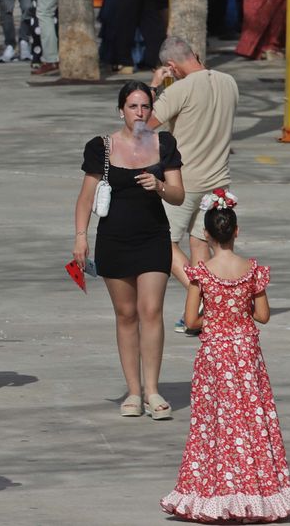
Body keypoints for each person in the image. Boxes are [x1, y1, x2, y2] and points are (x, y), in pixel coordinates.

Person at [160, 194, 290, 523]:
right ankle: (256, 489)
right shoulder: (251, 270)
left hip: (215, 356)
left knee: (214, 422)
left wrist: (214, 319)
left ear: (208, 236)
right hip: (245, 354)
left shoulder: (201, 273)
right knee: (251, 419)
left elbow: (192, 320)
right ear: (236, 232)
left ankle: (215, 489)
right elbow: (264, 316)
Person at [73, 82, 189, 420]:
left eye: (145, 107)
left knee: (151, 310)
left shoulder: (163, 143)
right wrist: (81, 236)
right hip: (114, 239)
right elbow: (85, 197)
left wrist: (161, 186)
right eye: (133, 107)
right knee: (126, 315)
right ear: (121, 109)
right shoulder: (101, 147)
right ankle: (133, 391)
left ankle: (153, 390)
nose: (140, 113)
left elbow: (179, 195)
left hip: (153, 237)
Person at [147, 36, 239, 330]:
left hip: (184, 181)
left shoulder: (180, 89)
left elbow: (141, 126)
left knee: (161, 242)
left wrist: (154, 84)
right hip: (219, 180)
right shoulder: (229, 82)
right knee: (201, 242)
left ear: (171, 66)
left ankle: (204, 297)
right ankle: (202, 313)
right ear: (195, 54)